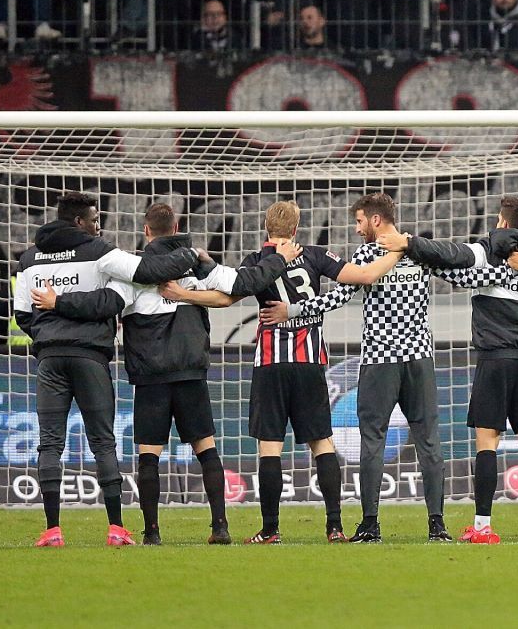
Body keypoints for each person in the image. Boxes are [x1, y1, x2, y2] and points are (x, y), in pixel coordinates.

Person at [269, 193, 518, 544]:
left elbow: (337, 298)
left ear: (375, 220)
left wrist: (292, 312)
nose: (357, 229)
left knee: (372, 440)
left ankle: (370, 525)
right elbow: (466, 277)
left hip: (379, 360)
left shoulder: (368, 256)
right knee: (428, 441)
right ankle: (437, 526)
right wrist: (513, 270)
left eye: (359, 222)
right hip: (419, 358)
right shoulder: (418, 251)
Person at [44, 203, 290, 545]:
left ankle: (153, 533)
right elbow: (247, 282)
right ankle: (220, 527)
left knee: (149, 456)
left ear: (146, 232)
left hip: (151, 378)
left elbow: (100, 304)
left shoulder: (134, 274)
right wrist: (279, 257)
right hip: (190, 372)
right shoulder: (200, 267)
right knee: (206, 450)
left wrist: (58, 302)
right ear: (176, 229)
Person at [168, 200, 403, 544]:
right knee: (322, 443)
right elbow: (366, 275)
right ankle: (334, 527)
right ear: (296, 229)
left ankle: (270, 529)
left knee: (270, 447)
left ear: (266, 228)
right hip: (309, 363)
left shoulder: (255, 263)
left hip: (270, 363)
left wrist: (181, 293)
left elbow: (222, 299)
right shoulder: (315, 255)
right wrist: (402, 248)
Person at [382, 197, 518, 543]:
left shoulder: (485, 254)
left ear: (501, 222)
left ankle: (482, 527)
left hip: (493, 361)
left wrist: (410, 244)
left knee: (486, 443)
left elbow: (447, 255)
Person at [14, 192, 199, 548]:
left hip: (50, 359)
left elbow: (23, 314)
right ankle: (116, 529)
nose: (100, 226)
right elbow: (126, 290)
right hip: (90, 358)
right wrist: (189, 253)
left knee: (50, 442)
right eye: (96, 219)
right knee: (103, 441)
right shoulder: (100, 251)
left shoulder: (29, 258)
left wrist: (50, 331)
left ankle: (52, 531)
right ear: (81, 222)